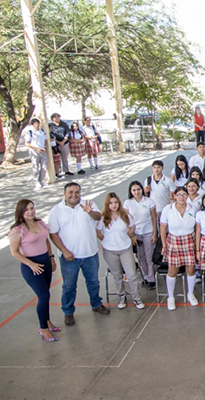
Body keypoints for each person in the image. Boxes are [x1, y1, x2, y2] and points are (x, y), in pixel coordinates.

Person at [48, 182, 110, 325]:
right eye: (70, 192)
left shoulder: (88, 204)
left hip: (90, 253)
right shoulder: (56, 211)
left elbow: (97, 217)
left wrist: (89, 211)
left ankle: (96, 304)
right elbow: (53, 234)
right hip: (70, 257)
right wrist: (65, 251)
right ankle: (68, 312)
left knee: (93, 281)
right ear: (64, 193)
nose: (74, 195)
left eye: (77, 192)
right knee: (69, 285)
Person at [9, 199, 60, 342]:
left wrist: (51, 257)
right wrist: (30, 264)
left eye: (32, 208)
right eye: (26, 210)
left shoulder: (40, 223)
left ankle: (47, 320)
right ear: (21, 212)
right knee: (43, 296)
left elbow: (46, 241)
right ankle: (43, 329)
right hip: (31, 266)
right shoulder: (17, 230)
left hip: (45, 262)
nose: (30, 211)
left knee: (46, 294)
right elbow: (14, 252)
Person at [96, 193, 144, 310]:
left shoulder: (126, 216)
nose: (113, 205)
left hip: (125, 249)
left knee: (132, 274)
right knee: (117, 275)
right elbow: (97, 232)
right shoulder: (103, 219)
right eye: (111, 203)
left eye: (115, 202)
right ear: (107, 205)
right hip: (110, 251)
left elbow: (132, 227)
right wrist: (105, 240)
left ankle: (137, 298)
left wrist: (128, 235)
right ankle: (122, 296)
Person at [159, 186, 199, 311]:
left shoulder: (194, 208)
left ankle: (190, 293)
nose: (182, 197)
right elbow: (163, 227)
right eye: (179, 194)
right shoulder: (168, 209)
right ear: (174, 196)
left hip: (189, 240)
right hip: (174, 241)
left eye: (184, 194)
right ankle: (170, 297)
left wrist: (197, 247)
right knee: (172, 271)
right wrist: (164, 244)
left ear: (187, 196)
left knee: (191, 270)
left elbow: (197, 228)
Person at [123, 181, 158, 290]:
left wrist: (154, 233)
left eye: (138, 189)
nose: (137, 192)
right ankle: (146, 277)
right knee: (140, 257)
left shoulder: (149, 201)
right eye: (134, 190)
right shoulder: (128, 203)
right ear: (130, 191)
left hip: (148, 232)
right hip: (136, 234)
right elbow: (125, 220)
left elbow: (153, 218)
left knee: (149, 257)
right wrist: (132, 234)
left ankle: (152, 279)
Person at [24, 118, 48, 189]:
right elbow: (27, 143)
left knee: (44, 166)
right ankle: (36, 181)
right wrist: (36, 149)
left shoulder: (42, 131)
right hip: (34, 151)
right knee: (36, 167)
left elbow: (45, 140)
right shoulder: (30, 132)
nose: (37, 125)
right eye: (35, 124)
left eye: (38, 123)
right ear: (33, 125)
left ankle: (41, 179)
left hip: (42, 150)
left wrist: (44, 147)